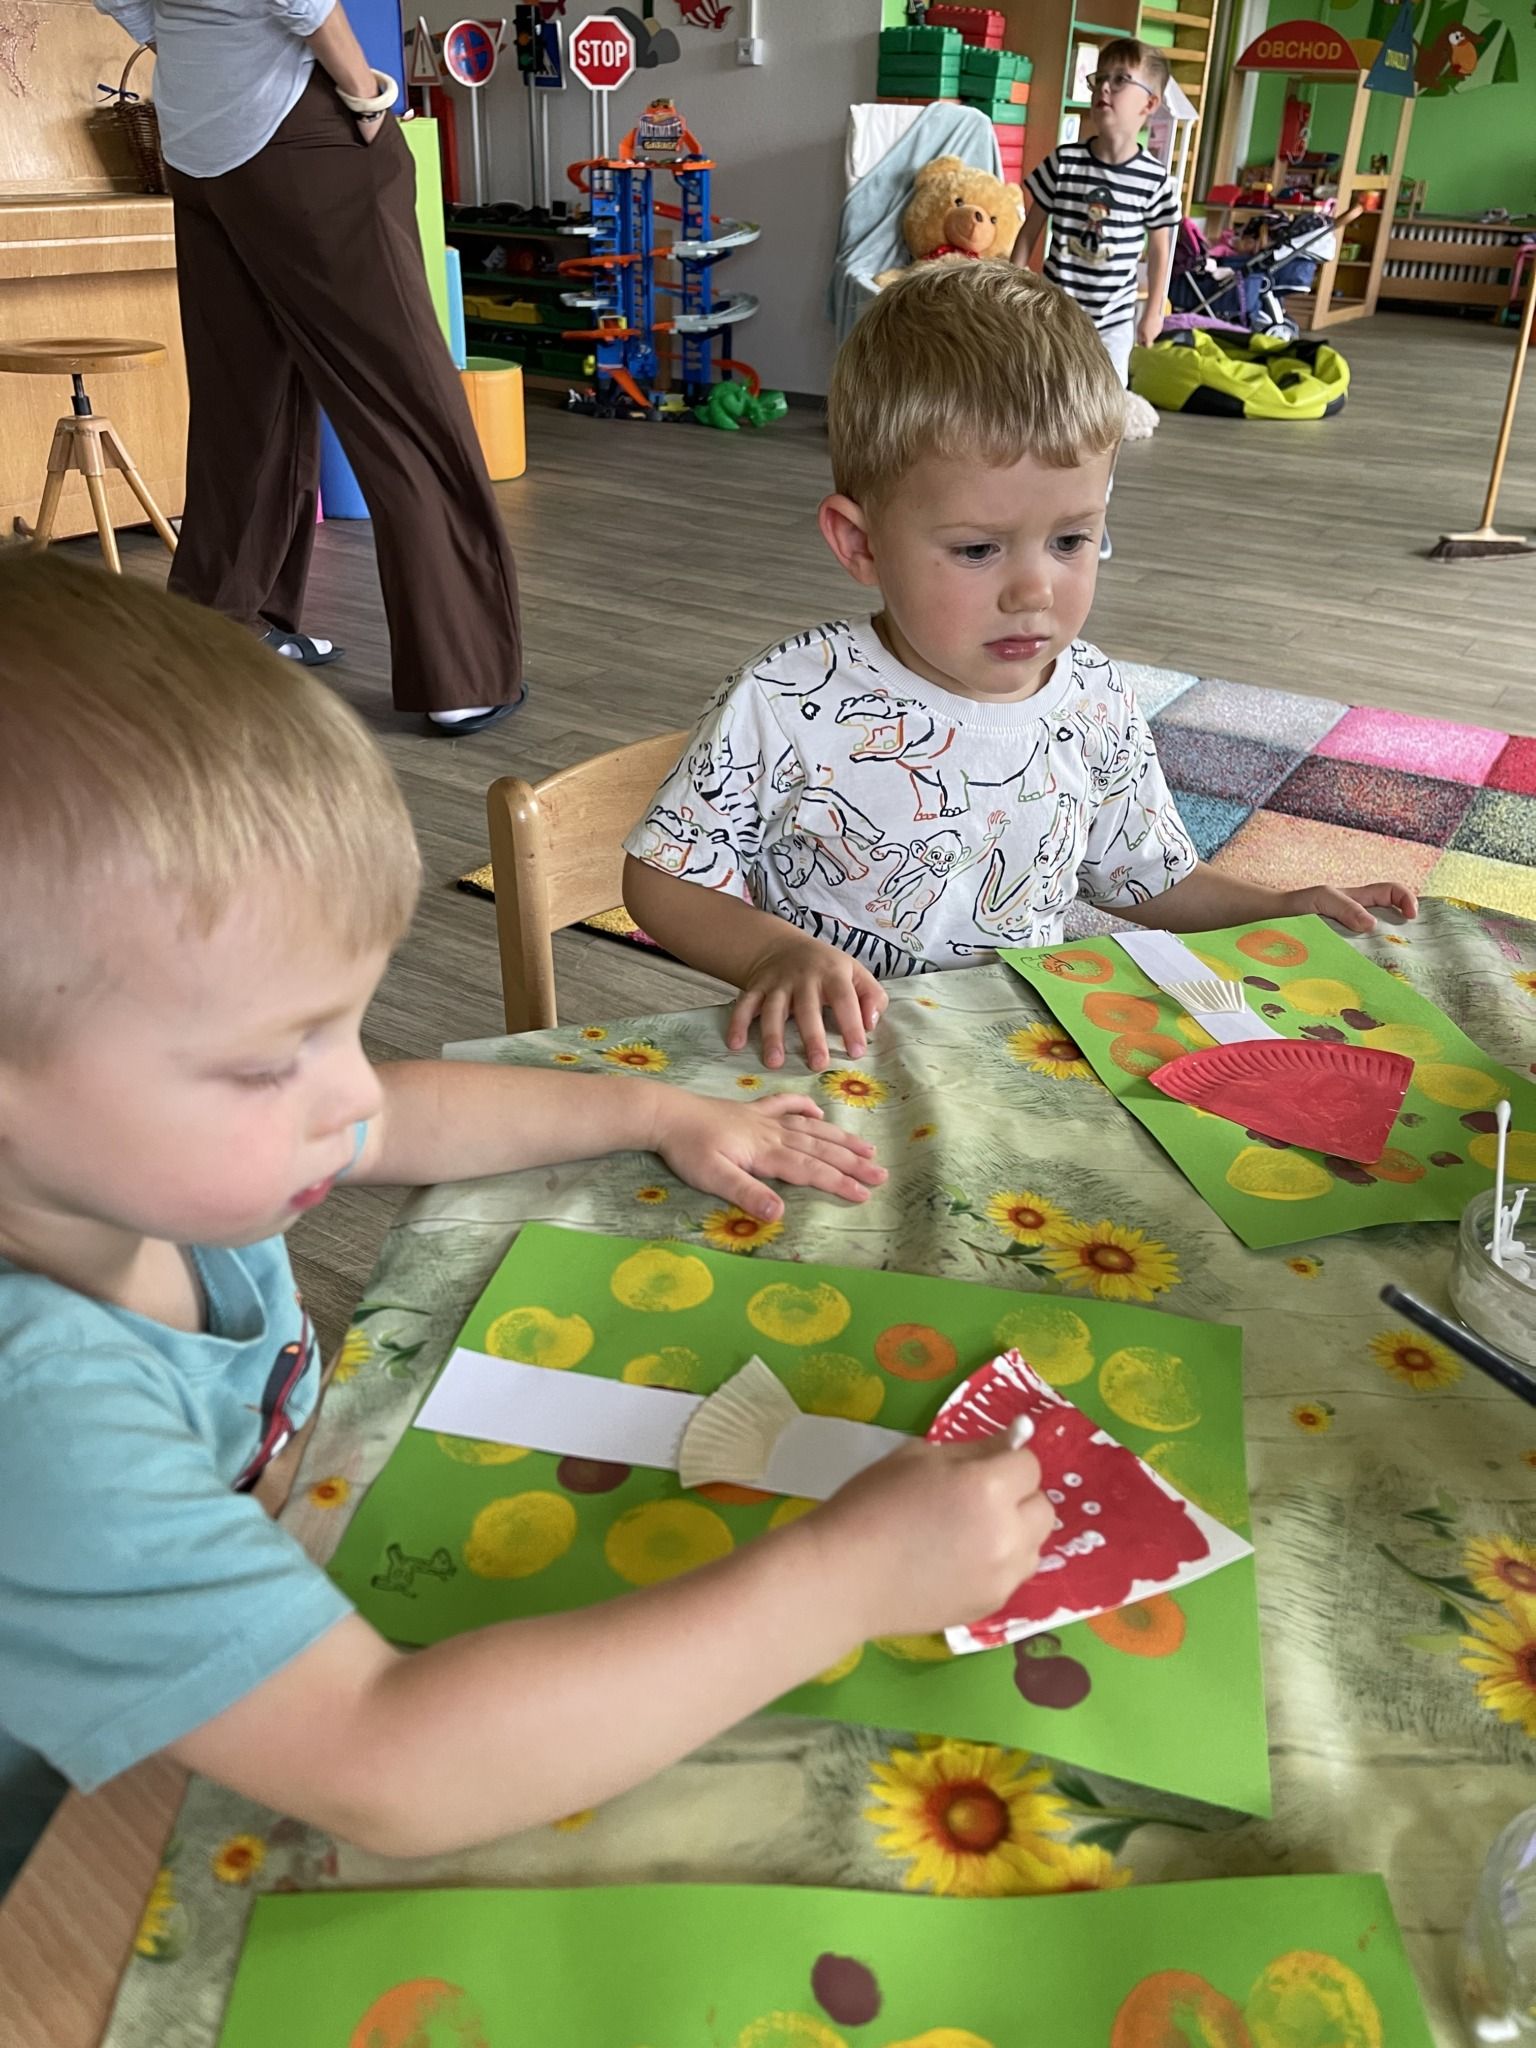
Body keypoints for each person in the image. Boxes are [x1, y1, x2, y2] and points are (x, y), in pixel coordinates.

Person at [0, 554, 1055, 1894]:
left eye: (343, 1027)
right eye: (272, 1061)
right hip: (75, 1857)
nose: (348, 1092)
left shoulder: (130, 1162)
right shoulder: (37, 1416)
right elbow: (389, 1765)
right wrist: (842, 1582)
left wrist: (654, 1112)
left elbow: (399, 1115)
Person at [622, 263, 1415, 1074]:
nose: (1035, 590)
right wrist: (771, 954)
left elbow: (1150, 877)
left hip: (1024, 1061)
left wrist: (1277, 909)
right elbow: (663, 880)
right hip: (839, 1075)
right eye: (977, 549)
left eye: (1071, 540)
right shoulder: (790, 699)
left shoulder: (1095, 697)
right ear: (860, 543)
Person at [92, 0, 523, 734]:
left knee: (243, 403)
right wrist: (365, 92)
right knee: (403, 400)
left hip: (195, 141)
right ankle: (461, 676)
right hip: (298, 127)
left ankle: (220, 637)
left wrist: (199, 51)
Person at [1010, 38, 1180, 559]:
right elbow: (1029, 231)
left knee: (1102, 420)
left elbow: (1161, 249)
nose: (1104, 88)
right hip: (1055, 319)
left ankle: (1090, 515)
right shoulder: (1064, 163)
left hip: (1112, 323)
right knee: (1045, 410)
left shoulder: (1155, 179)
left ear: (1149, 104)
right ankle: (1037, 508)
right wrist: (1012, 288)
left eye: (1120, 80)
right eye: (1099, 78)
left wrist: (1153, 309)